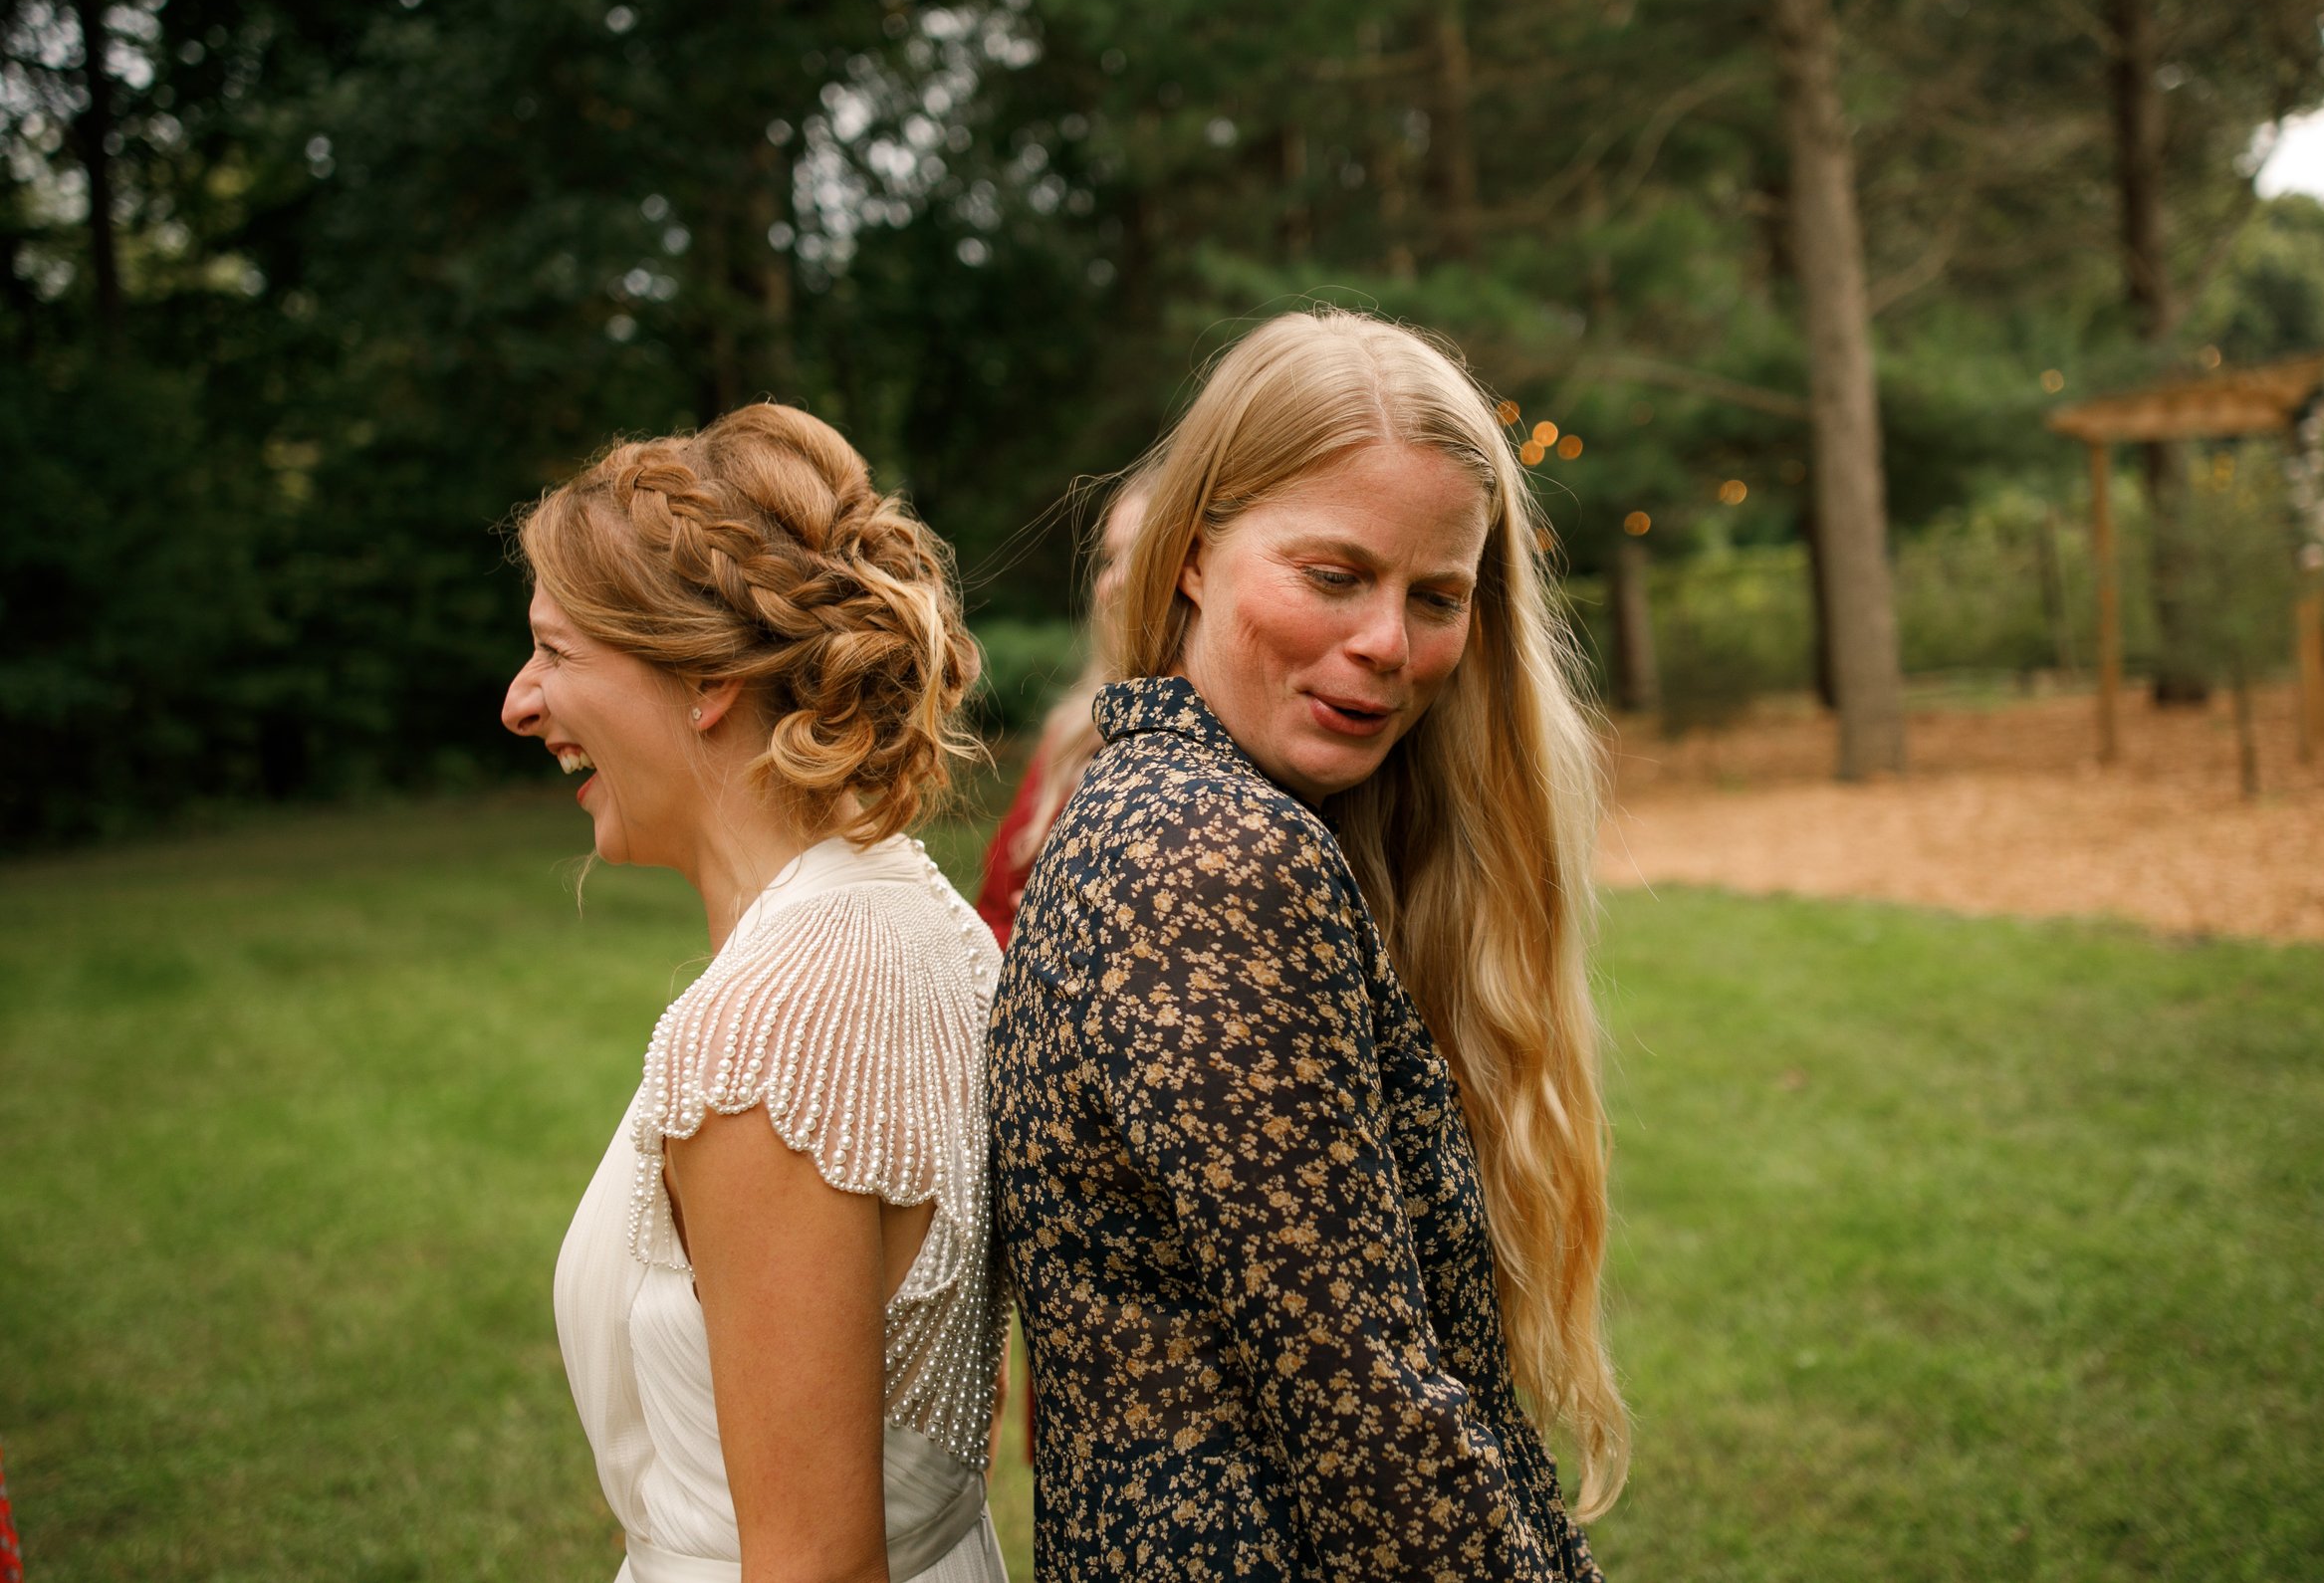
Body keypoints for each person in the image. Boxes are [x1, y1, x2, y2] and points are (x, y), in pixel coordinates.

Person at [988, 310, 1628, 1581]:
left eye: (1436, 594)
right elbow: (1369, 1419)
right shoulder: (1209, 855)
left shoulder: (1171, 808)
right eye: (1332, 576)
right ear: (1190, 556)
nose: (1389, 641)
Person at [501, 403, 1008, 1583]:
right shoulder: (920, 913)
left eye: (557, 652)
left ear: (707, 680)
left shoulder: (773, 1033)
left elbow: (813, 1561)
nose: (519, 702)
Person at [971, 480, 1148, 948]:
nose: (1119, 580)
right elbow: (992, 909)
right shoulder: (1072, 733)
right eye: (1111, 559)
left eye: (1144, 552)